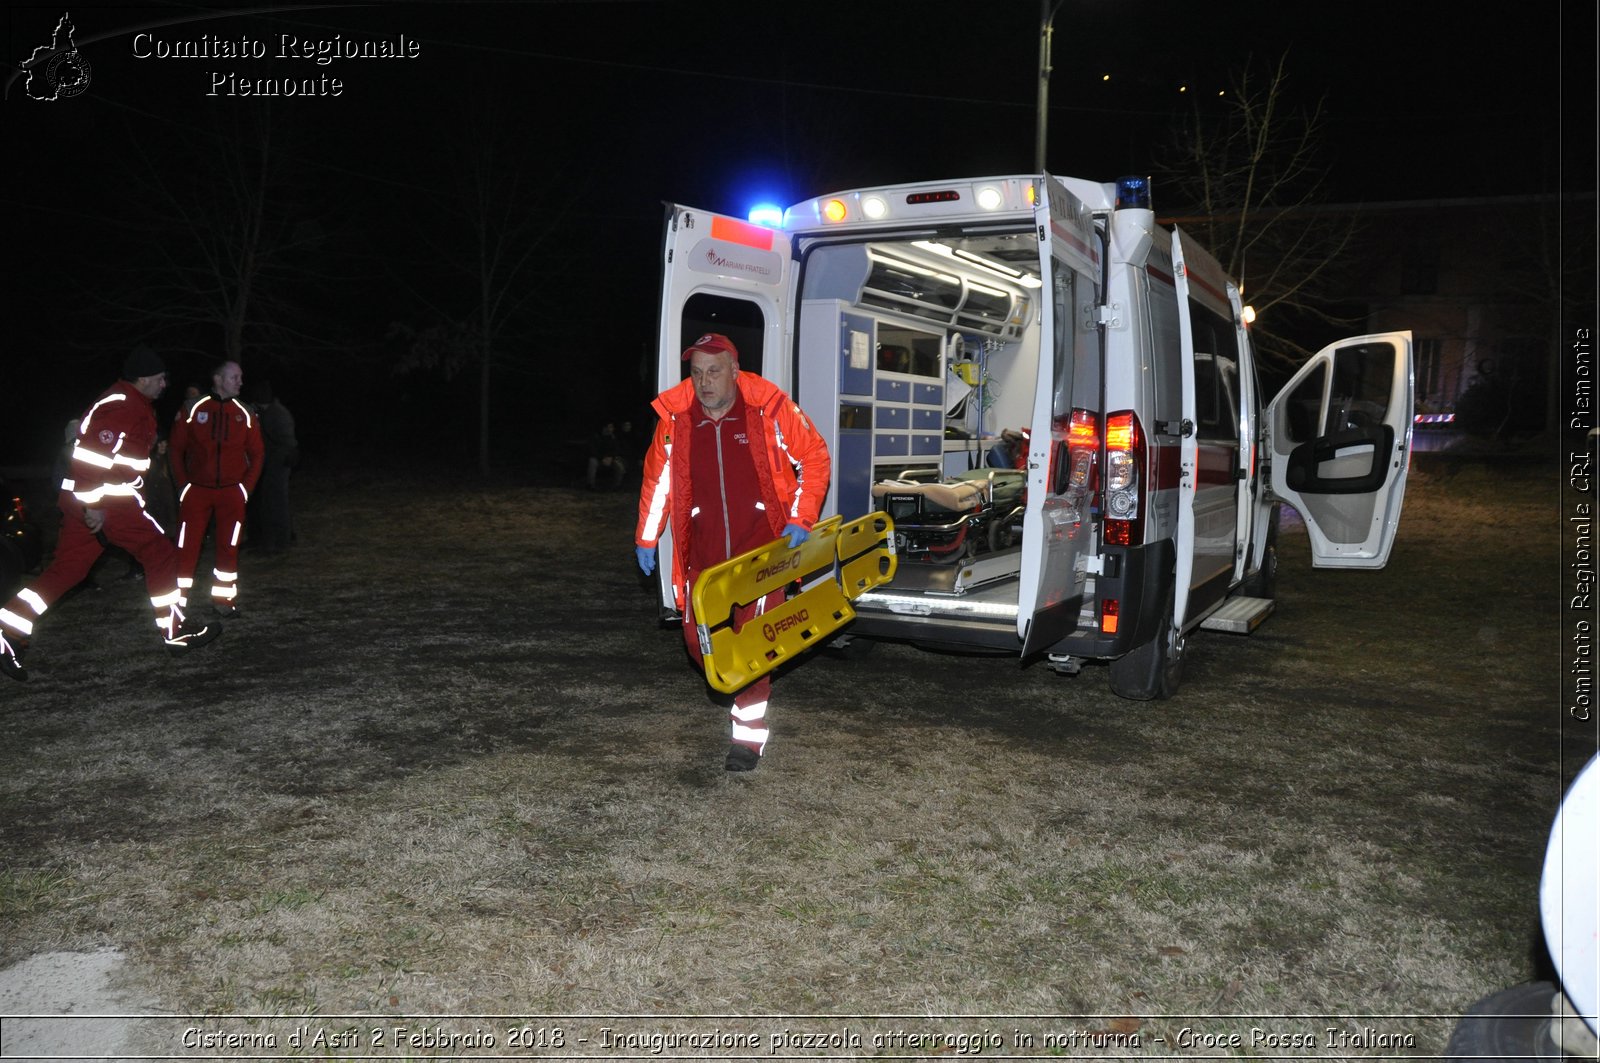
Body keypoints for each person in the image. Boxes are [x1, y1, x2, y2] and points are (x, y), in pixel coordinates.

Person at [634, 333, 830, 772]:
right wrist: (647, 537)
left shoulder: (770, 410)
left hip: (760, 554)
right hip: (701, 558)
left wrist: (800, 518)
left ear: (734, 372)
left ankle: (747, 740)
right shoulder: (677, 420)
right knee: (698, 645)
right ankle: (735, 688)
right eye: (697, 372)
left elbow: (814, 458)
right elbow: (658, 482)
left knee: (751, 648)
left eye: (714, 371)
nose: (705, 382)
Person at [1, 346, 221, 682]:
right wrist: (94, 507)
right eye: (161, 378)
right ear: (144, 378)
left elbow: (118, 455)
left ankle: (6, 631)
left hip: (93, 500)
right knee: (160, 553)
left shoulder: (130, 402)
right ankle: (175, 631)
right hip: (109, 502)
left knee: (68, 571)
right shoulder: (123, 404)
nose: (165, 384)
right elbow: (90, 459)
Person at [170, 360, 263, 617]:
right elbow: (175, 450)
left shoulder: (245, 412)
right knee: (187, 547)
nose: (240, 382)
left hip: (232, 493)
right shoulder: (192, 408)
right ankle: (177, 603)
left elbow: (257, 454)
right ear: (218, 379)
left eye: (241, 377)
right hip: (196, 492)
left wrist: (245, 489)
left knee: (228, 547)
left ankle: (224, 601)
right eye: (235, 377)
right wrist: (182, 486)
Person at [245, 380, 298, 554]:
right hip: (271, 463)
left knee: (277, 503)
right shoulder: (266, 412)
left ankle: (281, 541)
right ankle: (272, 540)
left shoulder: (277, 414)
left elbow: (287, 442)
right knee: (268, 502)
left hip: (279, 464)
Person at [586, 421, 625, 490]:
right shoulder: (596, 437)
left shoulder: (613, 438)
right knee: (592, 462)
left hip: (610, 459)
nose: (611, 429)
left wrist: (611, 458)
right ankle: (590, 484)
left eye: (612, 427)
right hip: (598, 459)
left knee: (619, 466)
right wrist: (601, 458)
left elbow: (616, 450)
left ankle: (616, 486)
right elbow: (592, 450)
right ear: (604, 428)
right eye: (610, 427)